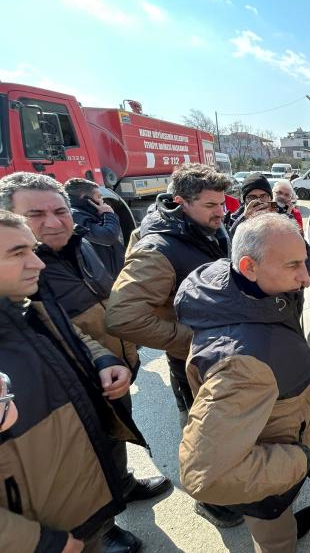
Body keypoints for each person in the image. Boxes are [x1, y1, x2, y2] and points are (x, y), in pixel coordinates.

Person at [0, 173, 169, 552]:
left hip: (104, 375)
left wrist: (109, 357)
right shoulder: (23, 278)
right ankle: (102, 528)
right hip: (59, 404)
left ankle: (119, 487)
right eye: (36, 214)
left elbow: (71, 329)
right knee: (83, 453)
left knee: (111, 434)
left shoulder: (82, 243)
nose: (54, 222)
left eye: (60, 211)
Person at [105, 164, 241, 529]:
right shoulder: (157, 247)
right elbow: (122, 317)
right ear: (181, 202)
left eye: (222, 203)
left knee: (223, 428)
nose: (221, 212)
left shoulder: (203, 228)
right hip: (192, 362)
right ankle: (209, 501)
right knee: (203, 433)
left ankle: (223, 485)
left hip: (219, 354)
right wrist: (192, 339)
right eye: (211, 204)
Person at [175, 214, 310, 552]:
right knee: (276, 539)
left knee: (279, 516)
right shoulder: (242, 364)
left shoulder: (244, 290)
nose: (306, 278)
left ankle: (284, 520)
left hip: (275, 443)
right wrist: (298, 460)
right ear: (249, 266)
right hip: (270, 481)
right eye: (294, 266)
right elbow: (204, 474)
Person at [64, 178, 126, 280]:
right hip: (101, 279)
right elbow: (107, 237)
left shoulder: (87, 212)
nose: (102, 201)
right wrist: (109, 214)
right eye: (99, 196)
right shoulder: (75, 215)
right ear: (84, 197)